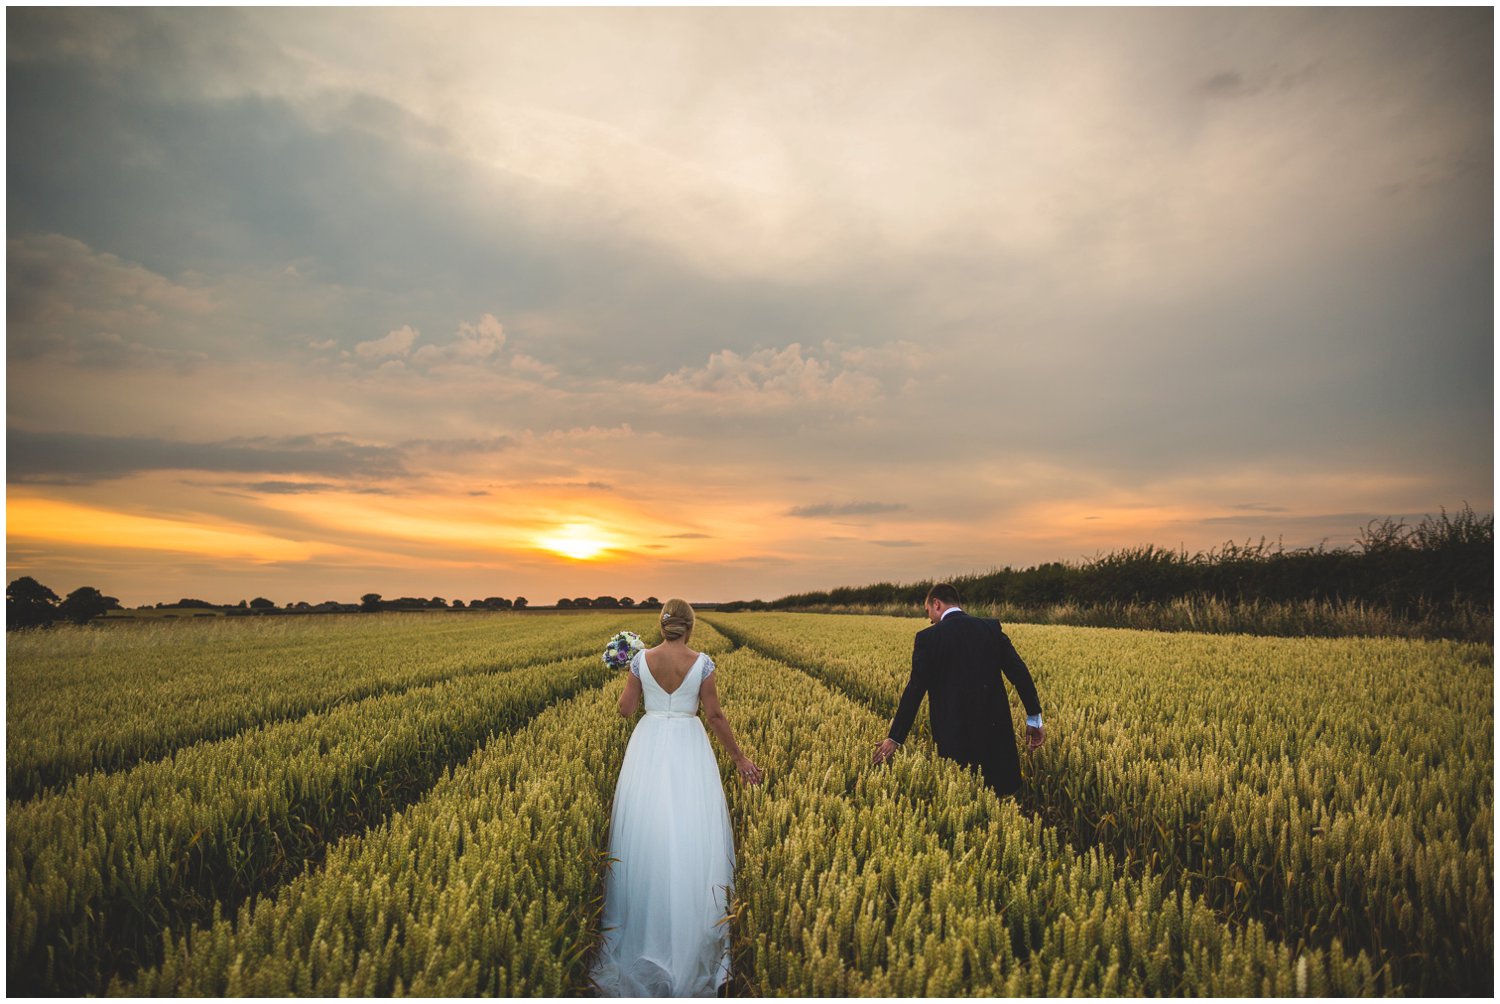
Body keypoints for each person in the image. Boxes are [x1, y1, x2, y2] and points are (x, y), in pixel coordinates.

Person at [591, 598, 763, 997]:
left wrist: (629, 675)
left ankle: (642, 928)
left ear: (662, 624)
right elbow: (716, 716)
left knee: (645, 831)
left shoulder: (639, 661)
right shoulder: (702, 663)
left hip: (648, 746)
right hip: (689, 746)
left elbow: (625, 710)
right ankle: (690, 937)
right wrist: (738, 758)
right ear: (691, 626)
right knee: (690, 833)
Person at [872, 583, 1044, 797]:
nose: (929, 620)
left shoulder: (928, 638)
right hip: (995, 733)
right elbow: (1019, 672)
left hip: (954, 735)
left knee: (962, 799)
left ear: (936, 604)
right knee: (999, 800)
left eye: (928, 612)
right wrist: (1034, 717)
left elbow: (915, 689)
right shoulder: (990, 628)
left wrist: (895, 737)